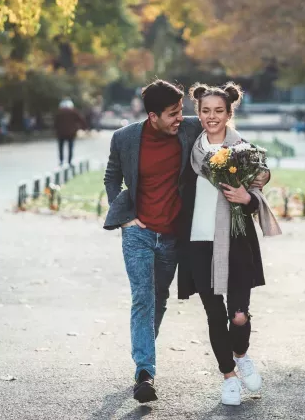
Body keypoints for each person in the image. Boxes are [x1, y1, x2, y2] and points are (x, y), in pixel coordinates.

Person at [103, 79, 203, 404]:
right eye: (173, 114)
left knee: (159, 298)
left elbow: (221, 129)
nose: (179, 118)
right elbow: (112, 175)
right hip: (138, 231)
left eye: (181, 111)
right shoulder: (125, 138)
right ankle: (145, 372)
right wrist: (124, 215)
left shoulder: (189, 129)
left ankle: (143, 356)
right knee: (143, 297)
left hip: (172, 234)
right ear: (152, 116)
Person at [178, 82, 276, 406]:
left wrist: (246, 197)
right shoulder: (191, 152)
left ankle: (242, 354)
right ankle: (228, 377)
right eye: (205, 111)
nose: (211, 117)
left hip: (236, 242)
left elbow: (258, 192)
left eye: (218, 111)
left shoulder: (244, 151)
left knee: (238, 315)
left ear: (229, 113)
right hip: (197, 242)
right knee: (214, 315)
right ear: (199, 113)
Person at [54, 99, 87, 166]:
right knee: (70, 147)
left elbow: (55, 123)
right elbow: (81, 120)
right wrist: (84, 128)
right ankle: (69, 161)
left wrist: (55, 130)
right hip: (71, 133)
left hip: (61, 133)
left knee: (61, 147)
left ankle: (61, 161)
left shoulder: (59, 112)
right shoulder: (73, 111)